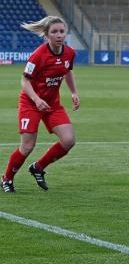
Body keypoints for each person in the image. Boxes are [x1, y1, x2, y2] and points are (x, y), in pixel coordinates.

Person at [1, 16, 79, 193]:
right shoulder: (38, 55)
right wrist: (36, 99)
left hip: (52, 104)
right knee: (27, 146)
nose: (59, 35)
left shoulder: (69, 53)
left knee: (68, 140)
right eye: (54, 32)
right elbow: (24, 80)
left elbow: (67, 71)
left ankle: (38, 167)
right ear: (46, 35)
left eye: (62, 31)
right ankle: (7, 179)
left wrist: (74, 92)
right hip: (31, 103)